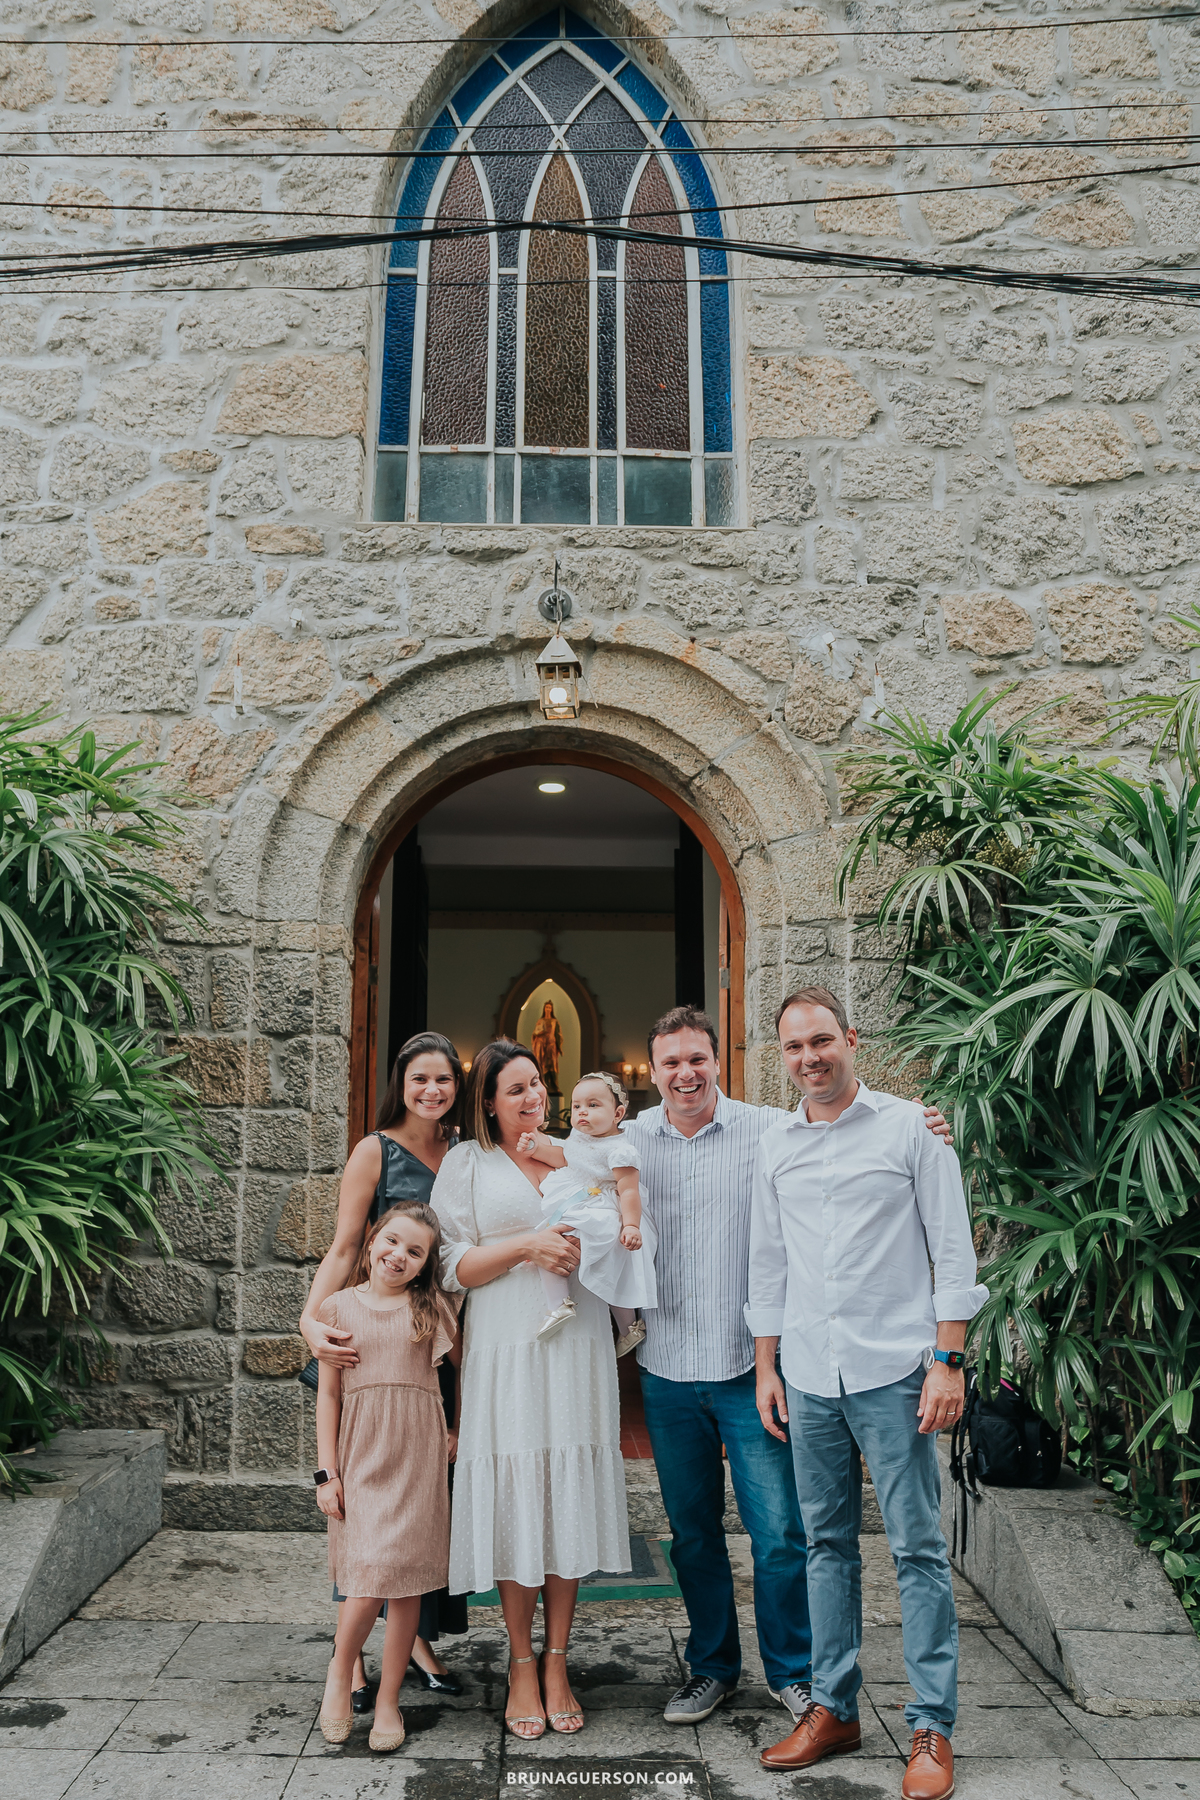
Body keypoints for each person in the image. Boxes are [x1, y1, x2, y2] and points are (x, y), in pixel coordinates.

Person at [624, 1004, 954, 1730]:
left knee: (780, 1533)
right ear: (653, 1072)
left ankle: (796, 1675)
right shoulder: (628, 1140)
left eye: (697, 1059)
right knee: (693, 1534)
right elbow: (555, 1164)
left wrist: (923, 1125)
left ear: (720, 1060)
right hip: (668, 1368)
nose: (685, 1073)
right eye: (670, 1062)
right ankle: (711, 1667)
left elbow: (840, 1130)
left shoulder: (771, 1129)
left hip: (754, 1368)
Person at [749, 987, 988, 1800]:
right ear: (780, 1056)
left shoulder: (909, 1130)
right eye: (793, 1047)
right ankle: (834, 1708)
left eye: (822, 1041)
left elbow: (952, 1251)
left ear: (851, 1038)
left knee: (917, 1549)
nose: (809, 1058)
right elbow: (769, 1261)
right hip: (811, 1374)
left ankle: (931, 1726)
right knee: (825, 1547)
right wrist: (767, 1365)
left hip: (895, 1371)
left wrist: (948, 1360)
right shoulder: (775, 1144)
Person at [430, 1039, 630, 1741]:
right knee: (518, 1489)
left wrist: (583, 1200)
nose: (532, 1098)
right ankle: (519, 1661)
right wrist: (525, 1247)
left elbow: (626, 1211)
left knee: (565, 1487)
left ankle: (558, 1660)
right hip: (506, 1343)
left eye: (538, 1085)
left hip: (576, 1340)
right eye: (515, 1089)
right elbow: (449, 1264)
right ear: (487, 1099)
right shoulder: (466, 1163)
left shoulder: (576, 1150)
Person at [300, 1032, 467, 1707]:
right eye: (421, 1078)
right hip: (366, 1341)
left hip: (430, 1342)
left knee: (419, 1510)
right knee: (364, 1503)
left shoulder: (462, 1154)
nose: (433, 1091)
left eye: (445, 1080)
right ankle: (355, 1660)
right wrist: (311, 1321)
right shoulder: (374, 1150)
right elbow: (345, 1247)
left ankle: (418, 1640)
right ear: (401, 1081)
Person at [314, 1201, 461, 1753]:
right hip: (361, 1453)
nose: (399, 1255)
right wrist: (326, 1473)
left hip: (418, 1455)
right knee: (368, 1574)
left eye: (415, 1251)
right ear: (373, 1239)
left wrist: (457, 1426)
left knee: (407, 1586)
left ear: (425, 1264)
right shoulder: (337, 1307)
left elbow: (459, 1375)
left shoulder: (434, 1311)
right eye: (392, 1242)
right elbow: (328, 1395)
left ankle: (388, 1701)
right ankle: (340, 1670)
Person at [518, 1069, 657, 1353]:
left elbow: (629, 1189)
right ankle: (564, 1306)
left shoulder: (621, 1150)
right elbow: (564, 1158)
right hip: (580, 1199)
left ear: (618, 1113)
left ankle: (625, 1326)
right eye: (578, 1105)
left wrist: (630, 1225)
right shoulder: (579, 1137)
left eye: (593, 1105)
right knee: (551, 1242)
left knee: (609, 1268)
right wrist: (535, 1149)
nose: (582, 1112)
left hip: (604, 1207)